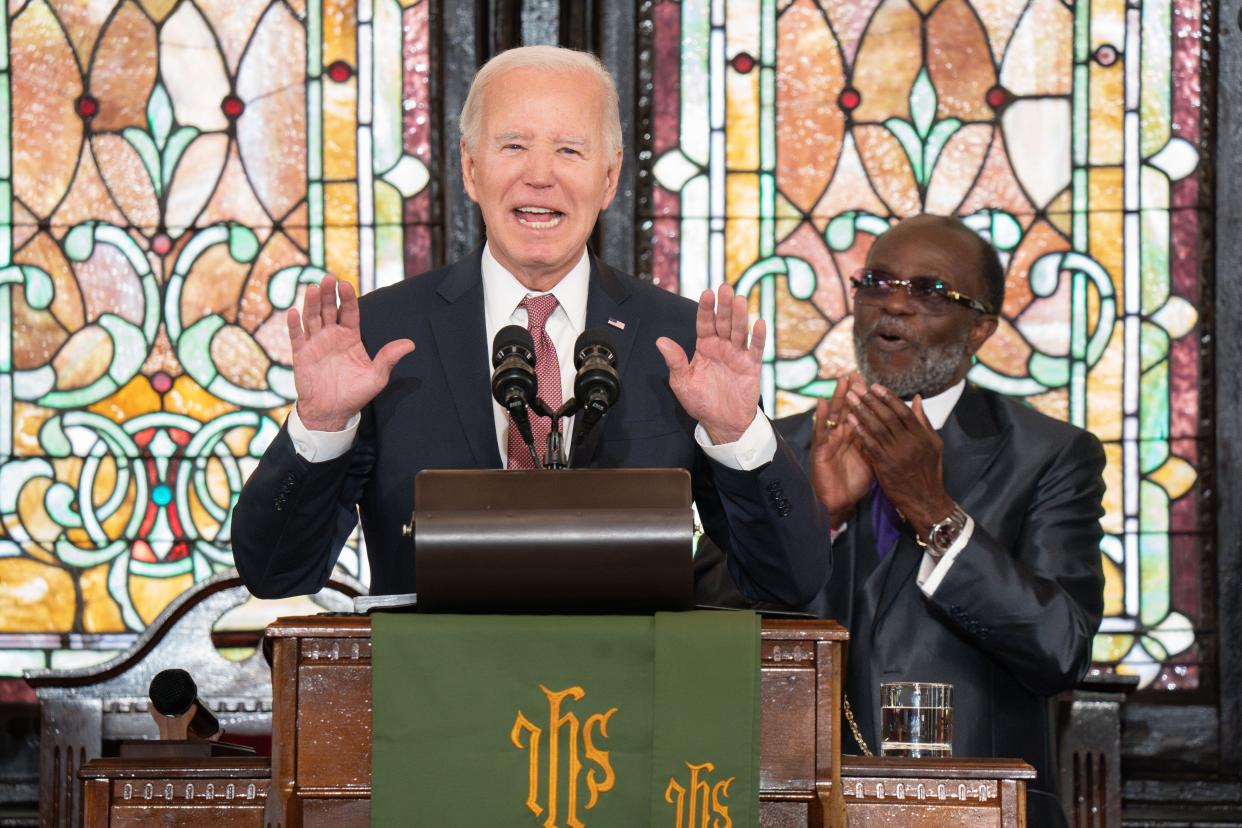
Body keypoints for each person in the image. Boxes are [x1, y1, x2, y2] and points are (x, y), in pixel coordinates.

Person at [230, 46, 832, 605]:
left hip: (626, 707)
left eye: (569, 150)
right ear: (470, 168)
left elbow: (790, 582)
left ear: (610, 176)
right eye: (513, 146)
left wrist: (738, 435)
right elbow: (275, 573)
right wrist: (321, 427)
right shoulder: (382, 337)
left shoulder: (679, 343)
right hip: (432, 703)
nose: (540, 175)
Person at [694, 214, 1105, 827]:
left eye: (930, 292)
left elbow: (1060, 647)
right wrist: (816, 516)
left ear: (981, 328)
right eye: (877, 284)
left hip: (974, 812)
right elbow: (702, 627)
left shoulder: (1048, 455)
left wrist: (934, 512)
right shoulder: (775, 450)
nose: (895, 306)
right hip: (796, 805)